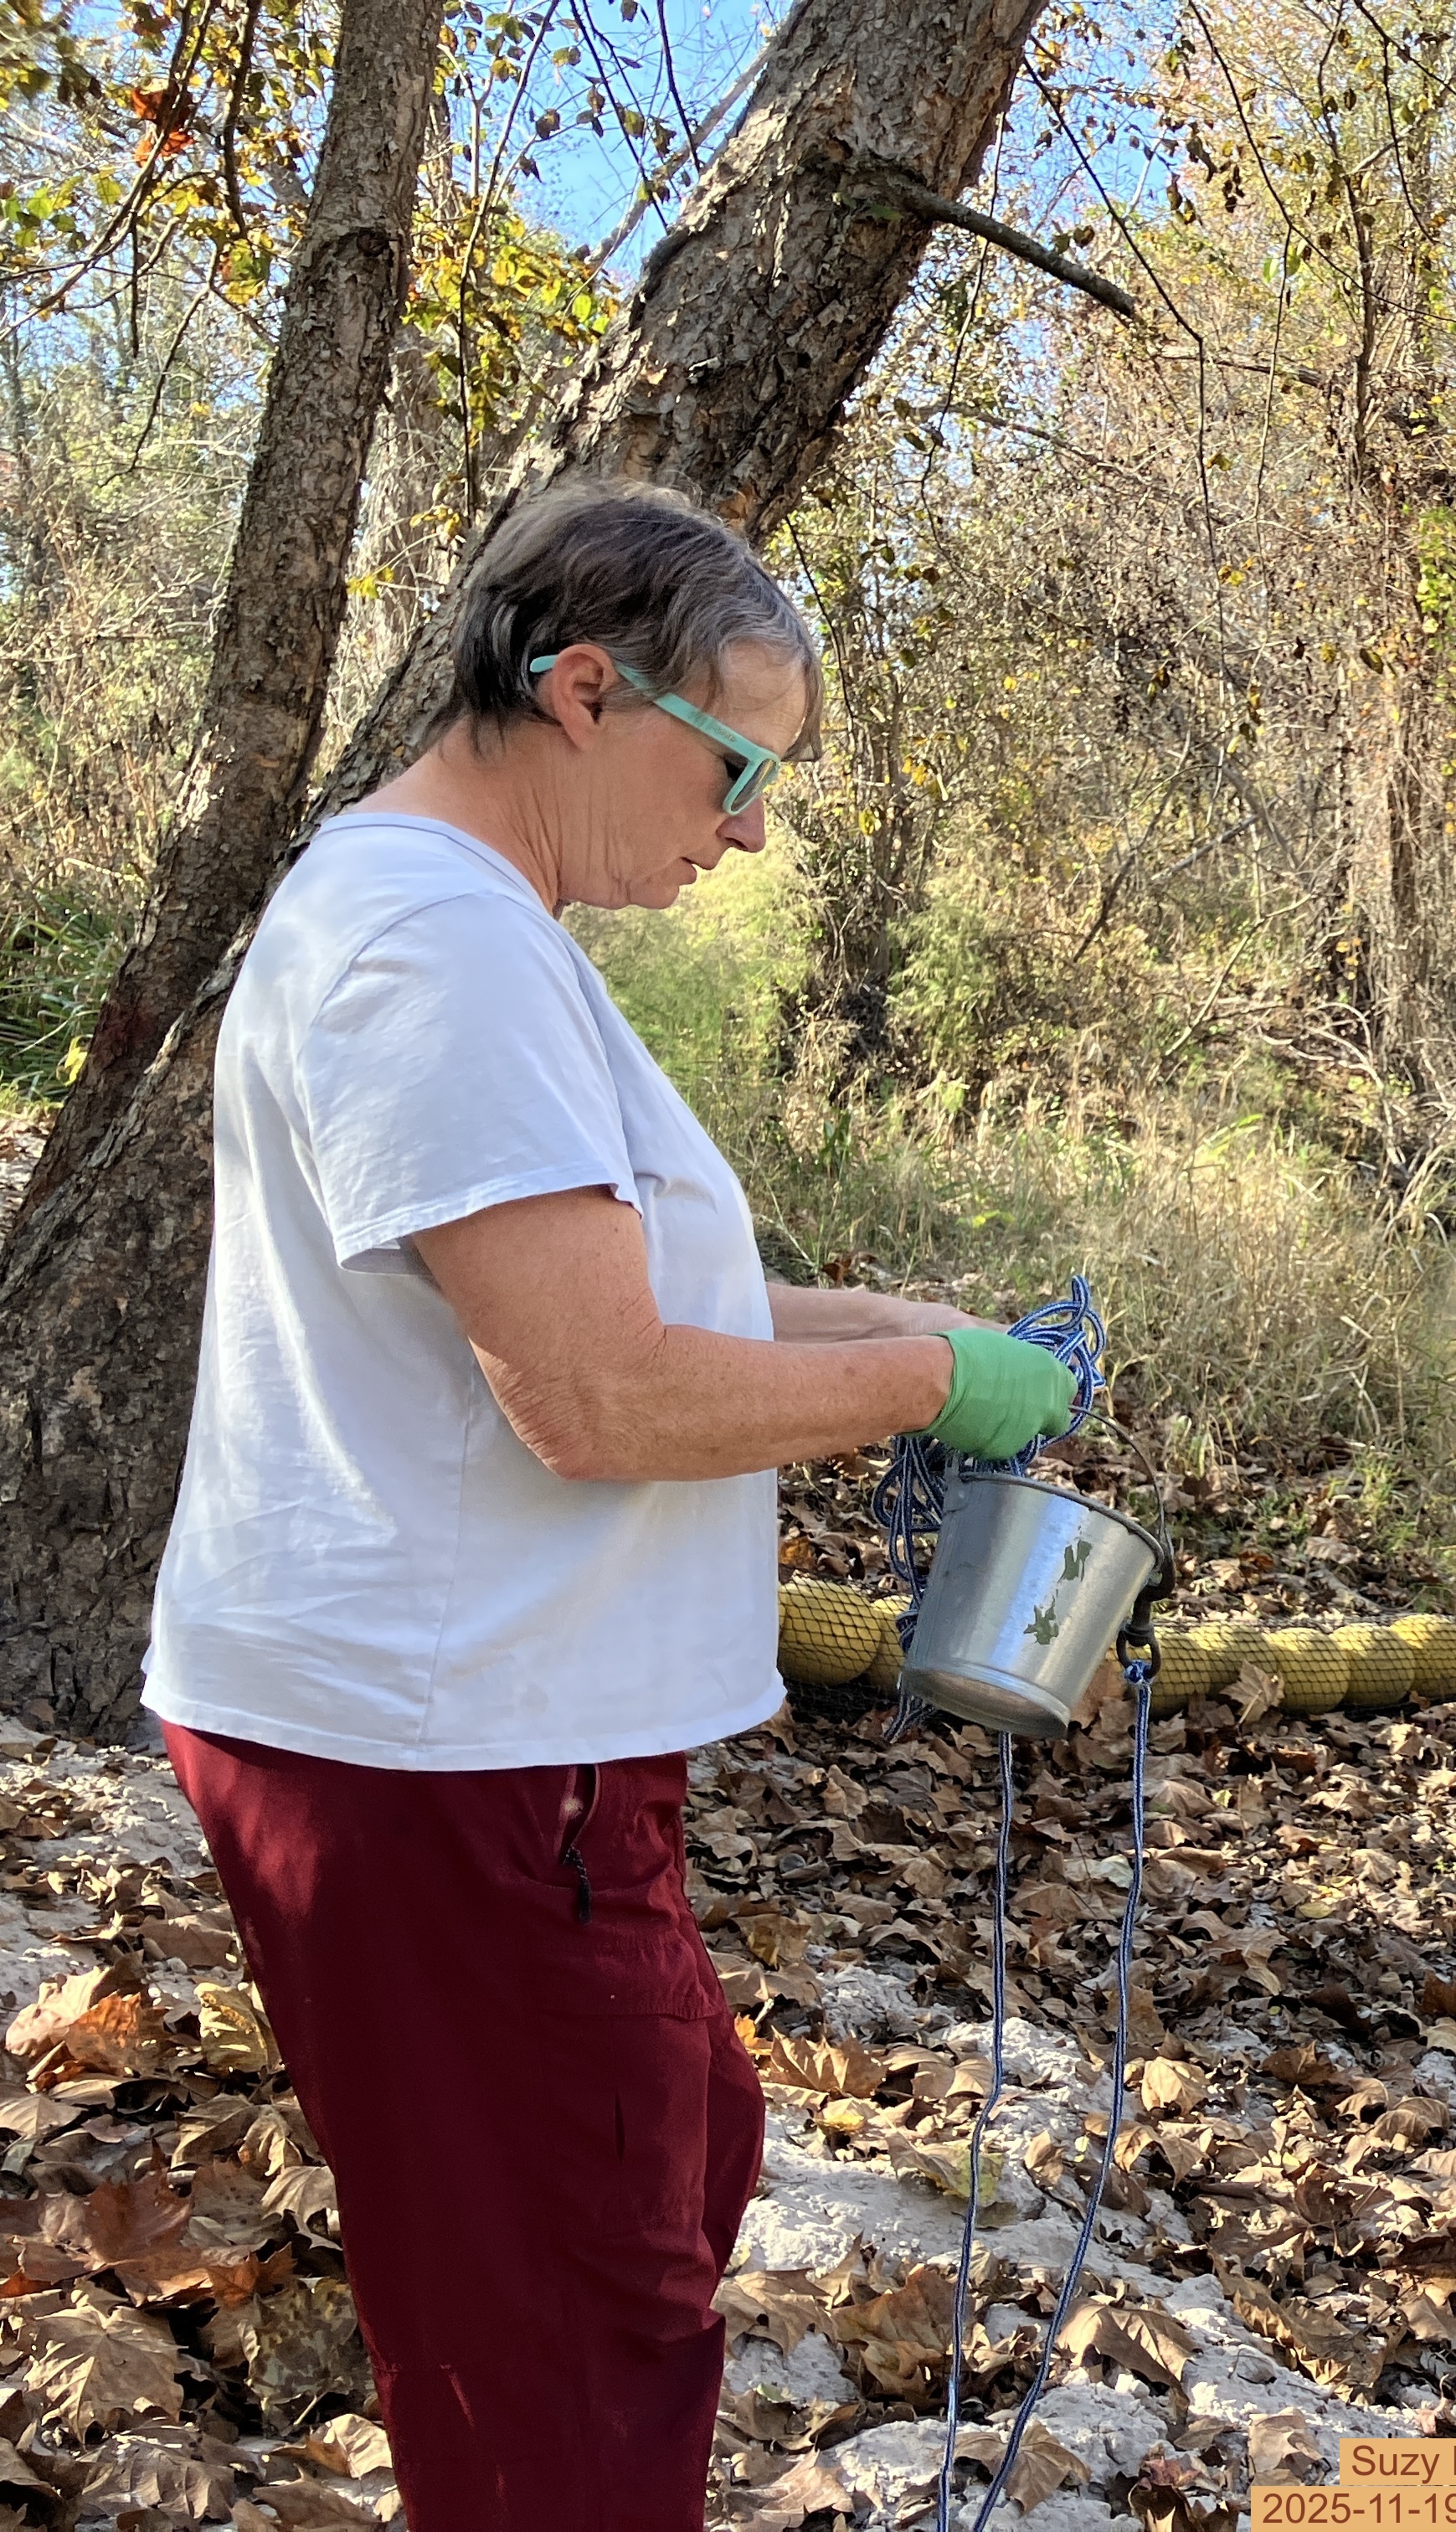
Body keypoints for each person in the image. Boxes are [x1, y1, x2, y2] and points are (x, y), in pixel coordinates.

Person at [141, 482, 1077, 2529]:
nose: (747, 830)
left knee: (664, 2167)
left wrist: (907, 1318)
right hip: (446, 1756)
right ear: (584, 690)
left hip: (487, 1746)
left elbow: (631, 1287)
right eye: (739, 768)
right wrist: (923, 1385)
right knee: (568, 2344)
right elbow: (593, 1390)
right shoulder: (432, 946)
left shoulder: (481, 926)